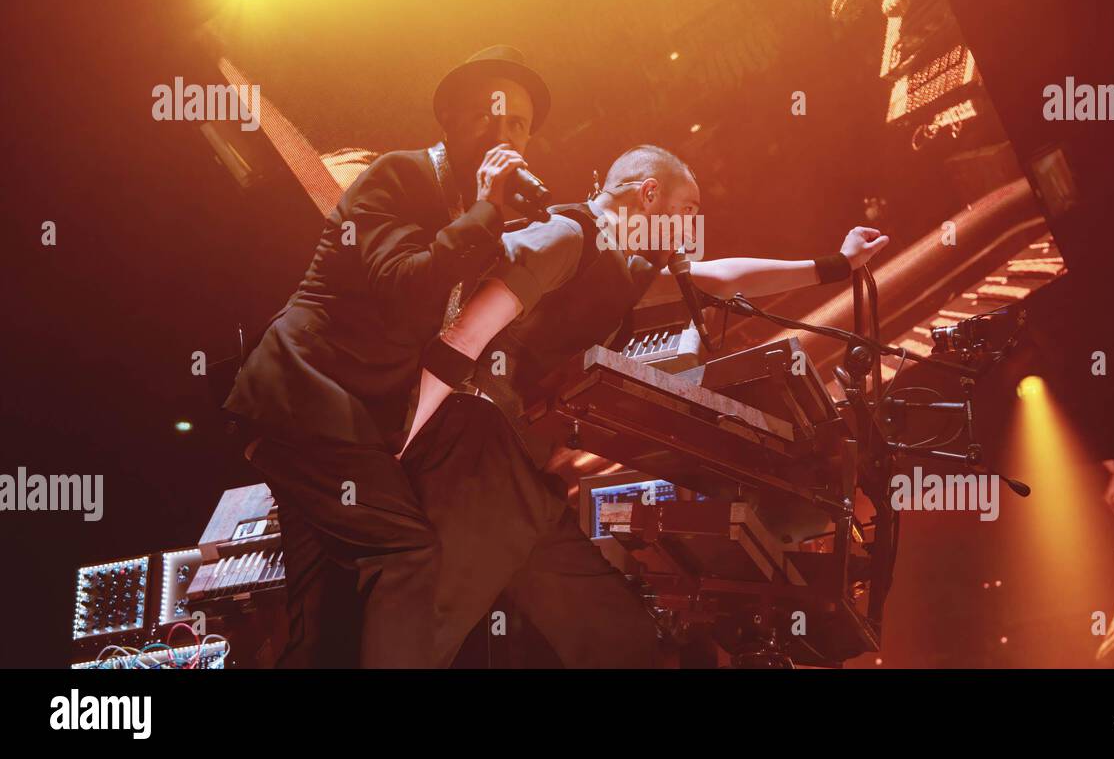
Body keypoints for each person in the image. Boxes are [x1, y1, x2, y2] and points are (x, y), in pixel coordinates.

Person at [397, 144, 889, 667]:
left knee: (606, 637)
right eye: (687, 210)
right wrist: (400, 451)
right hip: (470, 454)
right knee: (436, 622)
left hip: (513, 468)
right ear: (648, 193)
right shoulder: (566, 236)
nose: (692, 226)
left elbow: (724, 278)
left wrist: (837, 265)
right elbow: (461, 340)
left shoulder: (620, 271)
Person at [223, 45, 549, 667]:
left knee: (322, 621)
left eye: (518, 125)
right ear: (449, 119)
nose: (504, 135)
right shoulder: (400, 177)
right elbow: (404, 286)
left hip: (327, 420)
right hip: (302, 397)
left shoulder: (476, 218)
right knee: (405, 554)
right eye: (490, 115)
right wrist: (485, 214)